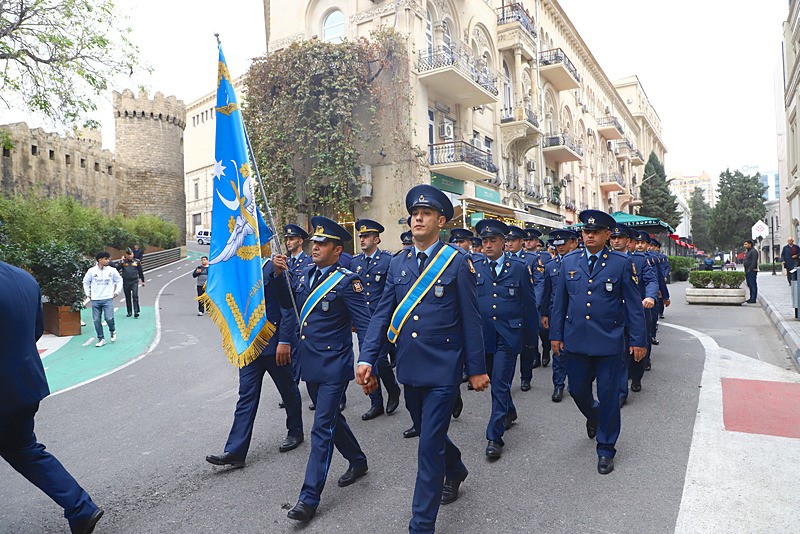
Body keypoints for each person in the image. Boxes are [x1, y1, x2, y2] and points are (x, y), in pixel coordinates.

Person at [356, 184, 489, 534]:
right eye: (415, 213)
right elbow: (381, 315)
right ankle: (456, 468)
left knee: (428, 448)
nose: (418, 217)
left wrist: (476, 370)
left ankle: (421, 524)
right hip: (410, 368)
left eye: (426, 213)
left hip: (444, 370)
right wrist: (366, 357)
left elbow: (471, 320)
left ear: (441, 221)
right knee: (432, 436)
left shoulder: (457, 262)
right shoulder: (397, 263)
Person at [1, 261, 104, 534]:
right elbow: (35, 331)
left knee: (22, 449)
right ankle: (81, 507)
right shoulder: (23, 278)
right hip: (25, 384)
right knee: (24, 449)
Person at [280, 216, 372, 523]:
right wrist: (274, 272)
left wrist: (367, 361)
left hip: (334, 366)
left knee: (321, 428)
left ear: (337, 250)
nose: (315, 247)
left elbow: (368, 324)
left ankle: (308, 498)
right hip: (311, 363)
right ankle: (358, 460)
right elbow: (285, 300)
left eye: (322, 244)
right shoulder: (306, 274)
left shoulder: (348, 282)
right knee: (331, 418)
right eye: (314, 243)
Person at [549, 210, 646, 475]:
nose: (589, 235)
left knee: (609, 396)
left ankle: (606, 448)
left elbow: (635, 307)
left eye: (595, 232)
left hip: (610, 341)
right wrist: (555, 335)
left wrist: (638, 340)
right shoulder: (569, 262)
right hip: (576, 341)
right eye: (585, 232)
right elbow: (560, 303)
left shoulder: (621, 263)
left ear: (606, 235)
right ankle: (594, 416)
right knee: (577, 390)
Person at [205, 255, 304, 469]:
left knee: (288, 390)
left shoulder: (272, 266)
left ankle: (295, 431)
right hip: (249, 345)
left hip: (274, 343)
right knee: (246, 396)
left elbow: (288, 307)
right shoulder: (239, 269)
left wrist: (285, 340)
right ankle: (235, 451)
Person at [474, 219, 538, 459]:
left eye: (493, 241)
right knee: (494, 381)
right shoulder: (474, 266)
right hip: (483, 335)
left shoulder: (519, 267)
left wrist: (530, 341)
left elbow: (529, 306)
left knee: (500, 383)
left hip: (508, 334)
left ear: (504, 242)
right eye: (484, 241)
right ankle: (509, 411)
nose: (488, 245)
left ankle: (494, 436)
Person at [351, 219, 401, 421]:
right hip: (364, 322)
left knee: (380, 359)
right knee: (366, 359)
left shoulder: (388, 260)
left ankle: (393, 389)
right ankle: (376, 402)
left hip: (384, 321)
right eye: (360, 236)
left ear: (377, 239)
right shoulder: (355, 263)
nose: (362, 239)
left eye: (366, 236)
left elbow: (394, 294)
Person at [608, 224, 658, 407]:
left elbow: (651, 280)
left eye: (619, 238)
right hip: (613, 314)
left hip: (636, 311)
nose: (615, 241)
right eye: (612, 238)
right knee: (618, 354)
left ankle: (636, 378)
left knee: (637, 347)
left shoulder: (639, 260)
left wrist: (650, 296)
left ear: (627, 241)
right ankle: (621, 391)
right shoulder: (604, 261)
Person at [539, 229, 579, 402]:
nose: (560, 247)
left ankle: (575, 383)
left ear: (572, 243)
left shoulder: (580, 263)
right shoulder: (550, 266)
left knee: (575, 350)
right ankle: (558, 385)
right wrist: (544, 314)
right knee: (557, 349)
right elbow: (546, 292)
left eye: (563, 244)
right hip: (556, 313)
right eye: (557, 245)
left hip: (575, 313)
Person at [505, 225, 545, 389]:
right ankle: (505, 379)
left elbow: (539, 282)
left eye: (513, 240)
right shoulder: (503, 258)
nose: (509, 244)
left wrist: (534, 302)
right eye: (507, 241)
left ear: (521, 242)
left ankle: (526, 376)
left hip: (527, 307)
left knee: (528, 344)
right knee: (508, 345)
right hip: (510, 309)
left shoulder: (531, 258)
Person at [83, 251, 122, 347]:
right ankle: (101, 338)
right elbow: (85, 282)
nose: (108, 261)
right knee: (96, 320)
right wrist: (88, 293)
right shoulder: (91, 271)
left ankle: (112, 330)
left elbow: (119, 280)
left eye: (108, 259)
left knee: (109, 318)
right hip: (95, 299)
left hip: (108, 298)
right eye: (106, 259)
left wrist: (117, 291)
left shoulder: (112, 270)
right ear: (99, 260)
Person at [114, 248, 145, 318]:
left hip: (134, 281)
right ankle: (129, 311)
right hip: (126, 281)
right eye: (128, 254)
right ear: (126, 255)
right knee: (127, 297)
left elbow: (140, 271)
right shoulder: (123, 262)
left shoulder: (136, 261)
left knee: (135, 295)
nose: (130, 256)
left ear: (133, 254)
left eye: (131, 254)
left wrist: (143, 280)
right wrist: (121, 262)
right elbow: (117, 269)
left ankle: (136, 311)